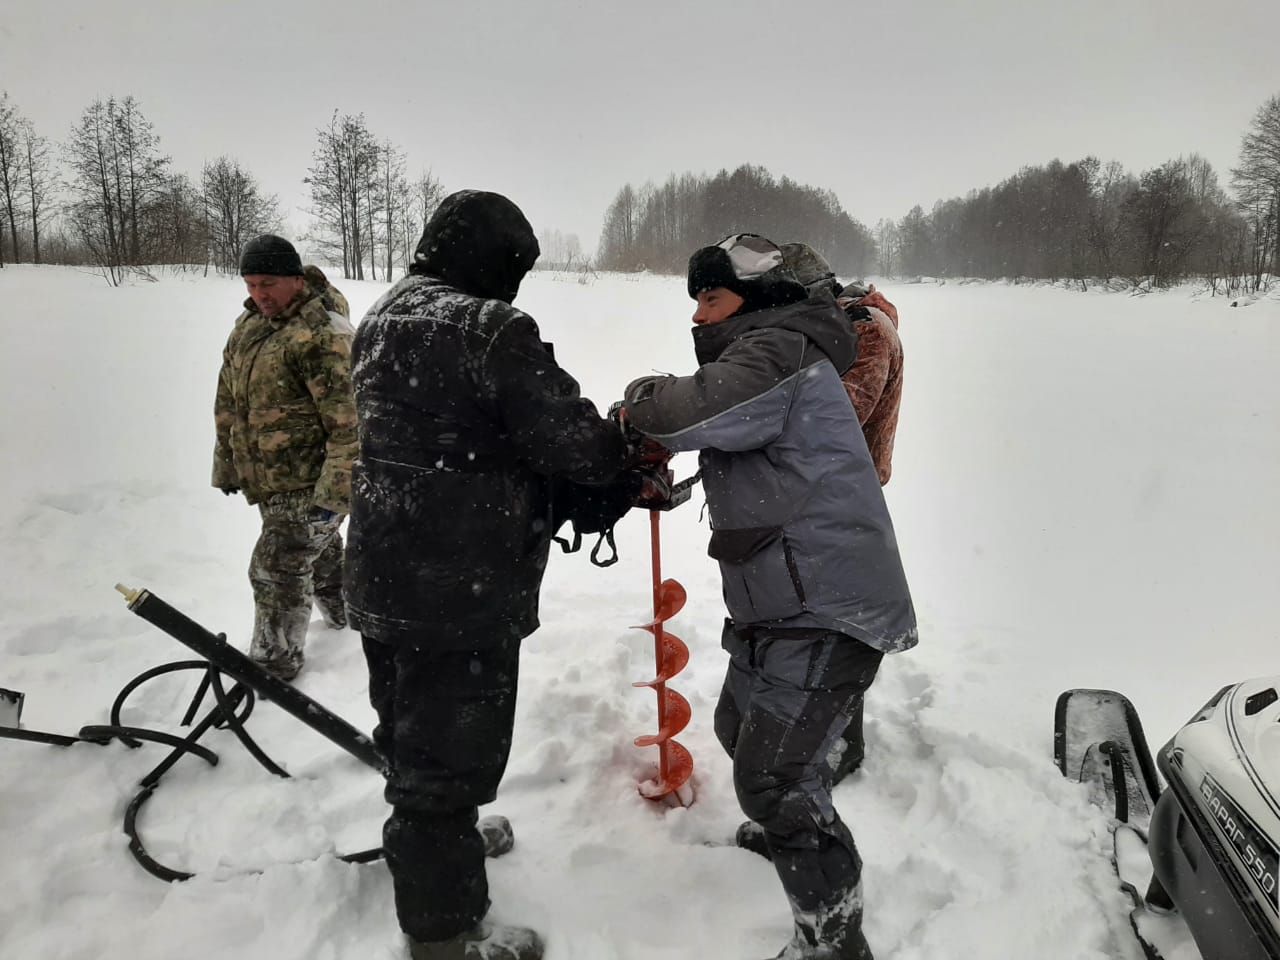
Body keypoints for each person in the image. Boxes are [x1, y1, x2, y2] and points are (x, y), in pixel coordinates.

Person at [344, 190, 645, 960]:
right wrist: (619, 453)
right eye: (514, 270)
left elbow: (456, 431)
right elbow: (572, 442)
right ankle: (443, 933)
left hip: (385, 575)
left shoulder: (383, 314)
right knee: (448, 759)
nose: (515, 287)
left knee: (412, 733)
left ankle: (442, 841)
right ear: (492, 262)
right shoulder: (489, 329)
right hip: (457, 588)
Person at [621, 234, 918, 960]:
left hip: (824, 606)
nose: (697, 313)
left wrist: (636, 406)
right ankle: (792, 821)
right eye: (693, 298)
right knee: (737, 728)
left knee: (773, 776)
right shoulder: (774, 355)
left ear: (753, 301)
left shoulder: (778, 352)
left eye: (711, 296)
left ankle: (834, 940)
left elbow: (681, 413)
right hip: (777, 600)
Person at [779, 242, 907, 785]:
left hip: (850, 493)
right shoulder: (843, 324)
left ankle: (837, 747)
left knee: (838, 624)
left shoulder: (869, 328)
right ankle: (818, 737)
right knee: (814, 619)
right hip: (822, 490)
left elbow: (842, 414)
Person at [212, 234, 357, 681]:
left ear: (296, 278)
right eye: (252, 284)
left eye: (269, 283)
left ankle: (273, 667)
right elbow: (229, 398)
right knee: (321, 557)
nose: (260, 294)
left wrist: (332, 497)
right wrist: (229, 462)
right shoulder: (250, 326)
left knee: (276, 568)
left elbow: (350, 424)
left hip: (311, 483)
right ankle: (352, 621)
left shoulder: (323, 334)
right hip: (273, 480)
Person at [779, 242, 902, 486]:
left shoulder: (867, 328)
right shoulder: (833, 325)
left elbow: (839, 420)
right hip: (819, 482)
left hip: (849, 488)